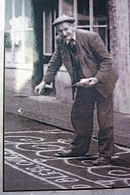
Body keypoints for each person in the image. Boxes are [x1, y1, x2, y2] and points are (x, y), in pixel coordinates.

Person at [35, 15, 118, 165]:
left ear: (74, 26)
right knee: (79, 115)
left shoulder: (91, 37)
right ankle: (79, 149)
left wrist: (95, 79)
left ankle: (105, 154)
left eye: (66, 29)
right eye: (60, 31)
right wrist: (44, 82)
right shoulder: (60, 41)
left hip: (102, 81)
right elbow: (55, 61)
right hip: (83, 83)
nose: (64, 33)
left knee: (104, 120)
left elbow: (107, 61)